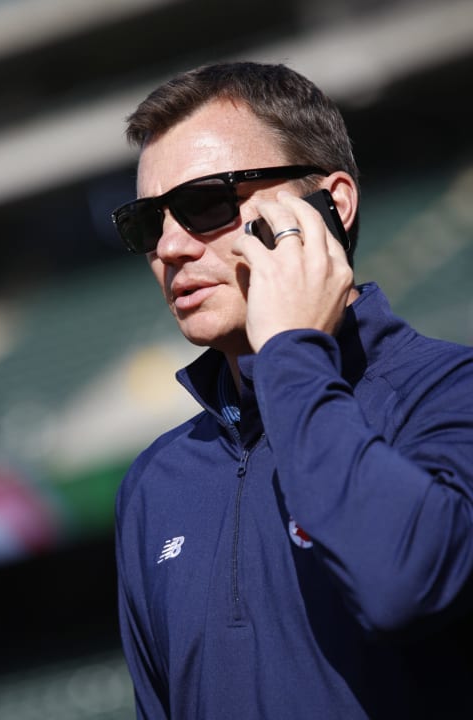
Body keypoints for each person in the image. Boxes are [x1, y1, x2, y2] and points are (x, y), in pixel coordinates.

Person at [113, 62, 473, 719]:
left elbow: (403, 586)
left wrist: (289, 355)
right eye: (146, 222)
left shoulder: (451, 392)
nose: (169, 246)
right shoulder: (154, 482)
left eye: (205, 204)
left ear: (331, 203)